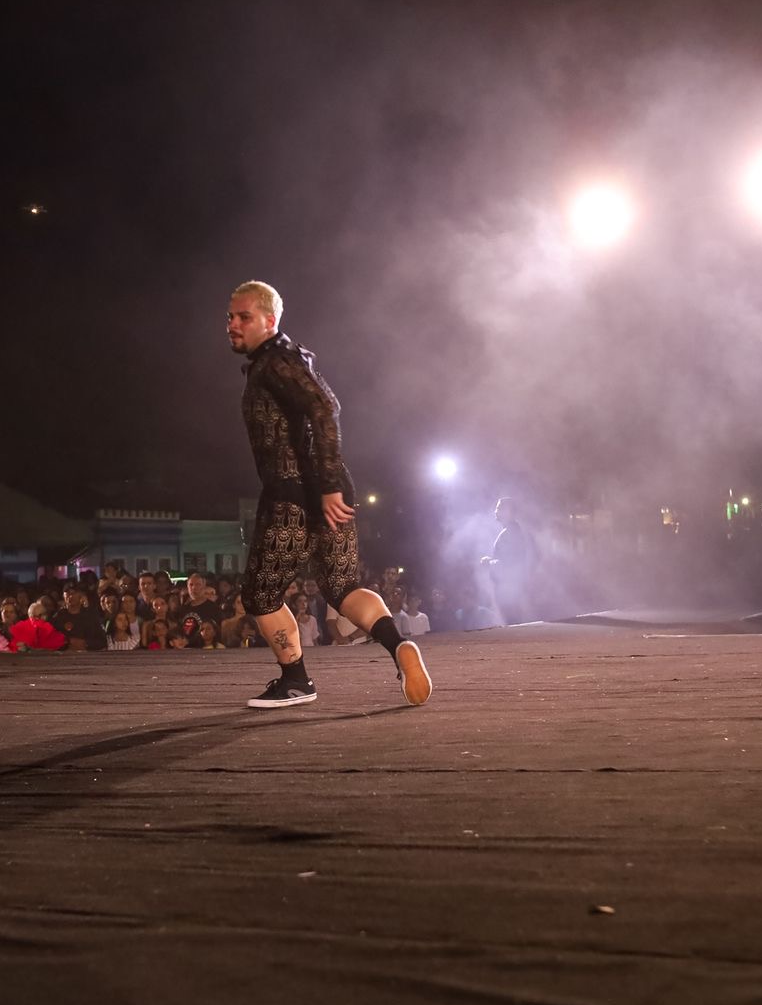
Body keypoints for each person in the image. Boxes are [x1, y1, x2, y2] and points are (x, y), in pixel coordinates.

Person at [227, 280, 431, 707]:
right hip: (325, 492)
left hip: (294, 495)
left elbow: (325, 407)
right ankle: (398, 645)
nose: (233, 324)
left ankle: (296, 680)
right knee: (342, 587)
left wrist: (328, 486)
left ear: (270, 320)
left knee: (261, 595)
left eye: (244, 317)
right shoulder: (283, 359)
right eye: (230, 317)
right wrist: (332, 486)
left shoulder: (276, 361)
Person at [481, 497, 535, 624]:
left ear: (508, 511)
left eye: (499, 508)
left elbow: (509, 564)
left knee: (512, 626)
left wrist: (488, 562)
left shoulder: (510, 533)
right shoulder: (511, 531)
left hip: (510, 592)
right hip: (510, 591)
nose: (495, 511)